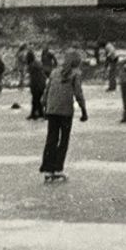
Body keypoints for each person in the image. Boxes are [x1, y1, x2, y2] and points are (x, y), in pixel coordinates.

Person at [39, 49, 88, 183]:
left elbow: (47, 90)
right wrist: (84, 110)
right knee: (64, 140)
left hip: (52, 110)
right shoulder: (75, 74)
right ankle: (58, 168)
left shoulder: (55, 72)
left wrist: (44, 106)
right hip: (65, 111)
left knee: (51, 139)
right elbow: (78, 93)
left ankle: (48, 169)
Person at [26, 51, 46, 120]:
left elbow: (33, 78)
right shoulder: (38, 63)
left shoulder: (31, 65)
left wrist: (31, 86)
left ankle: (34, 114)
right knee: (39, 99)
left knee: (35, 100)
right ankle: (41, 113)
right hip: (42, 84)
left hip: (36, 85)